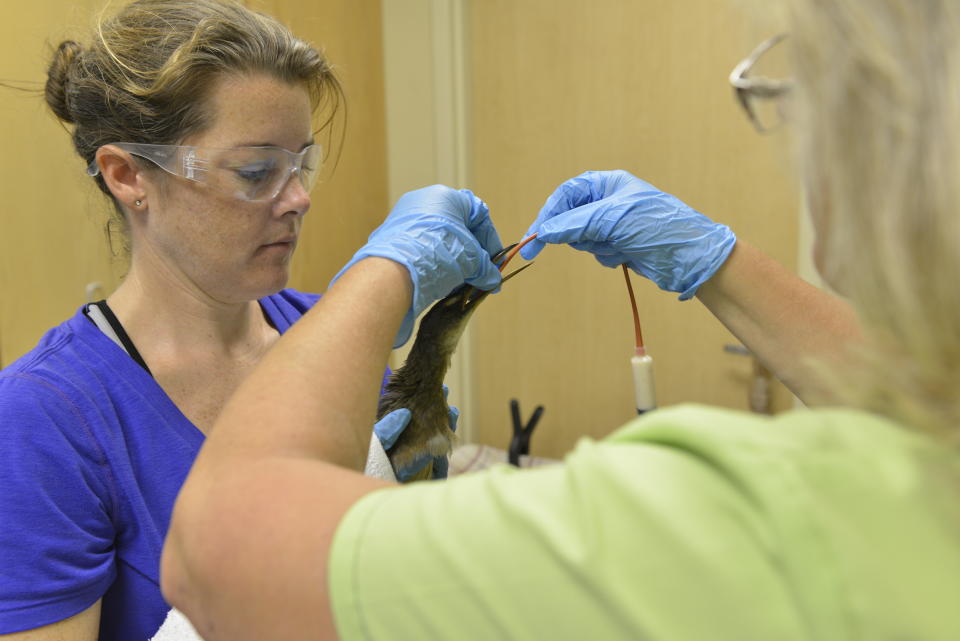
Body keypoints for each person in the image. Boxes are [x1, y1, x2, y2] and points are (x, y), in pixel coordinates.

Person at [162, 1, 960, 640]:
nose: (295, 197)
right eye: (259, 171)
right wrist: (719, 260)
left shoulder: (740, 515)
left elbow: (214, 555)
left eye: (796, 107)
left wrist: (388, 268)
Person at [0, 1, 456, 638]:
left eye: (302, 164)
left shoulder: (327, 336)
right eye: (256, 171)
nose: (297, 198)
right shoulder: (46, 419)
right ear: (128, 174)